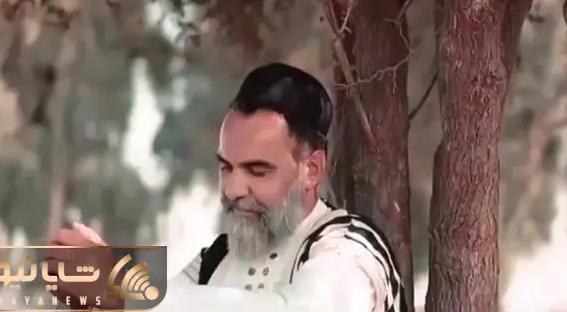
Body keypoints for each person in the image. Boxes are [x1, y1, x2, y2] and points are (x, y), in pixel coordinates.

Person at [46, 62, 407, 312]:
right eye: (226, 167)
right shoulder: (214, 261)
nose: (234, 189)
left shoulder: (352, 249)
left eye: (257, 170)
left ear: (311, 170)